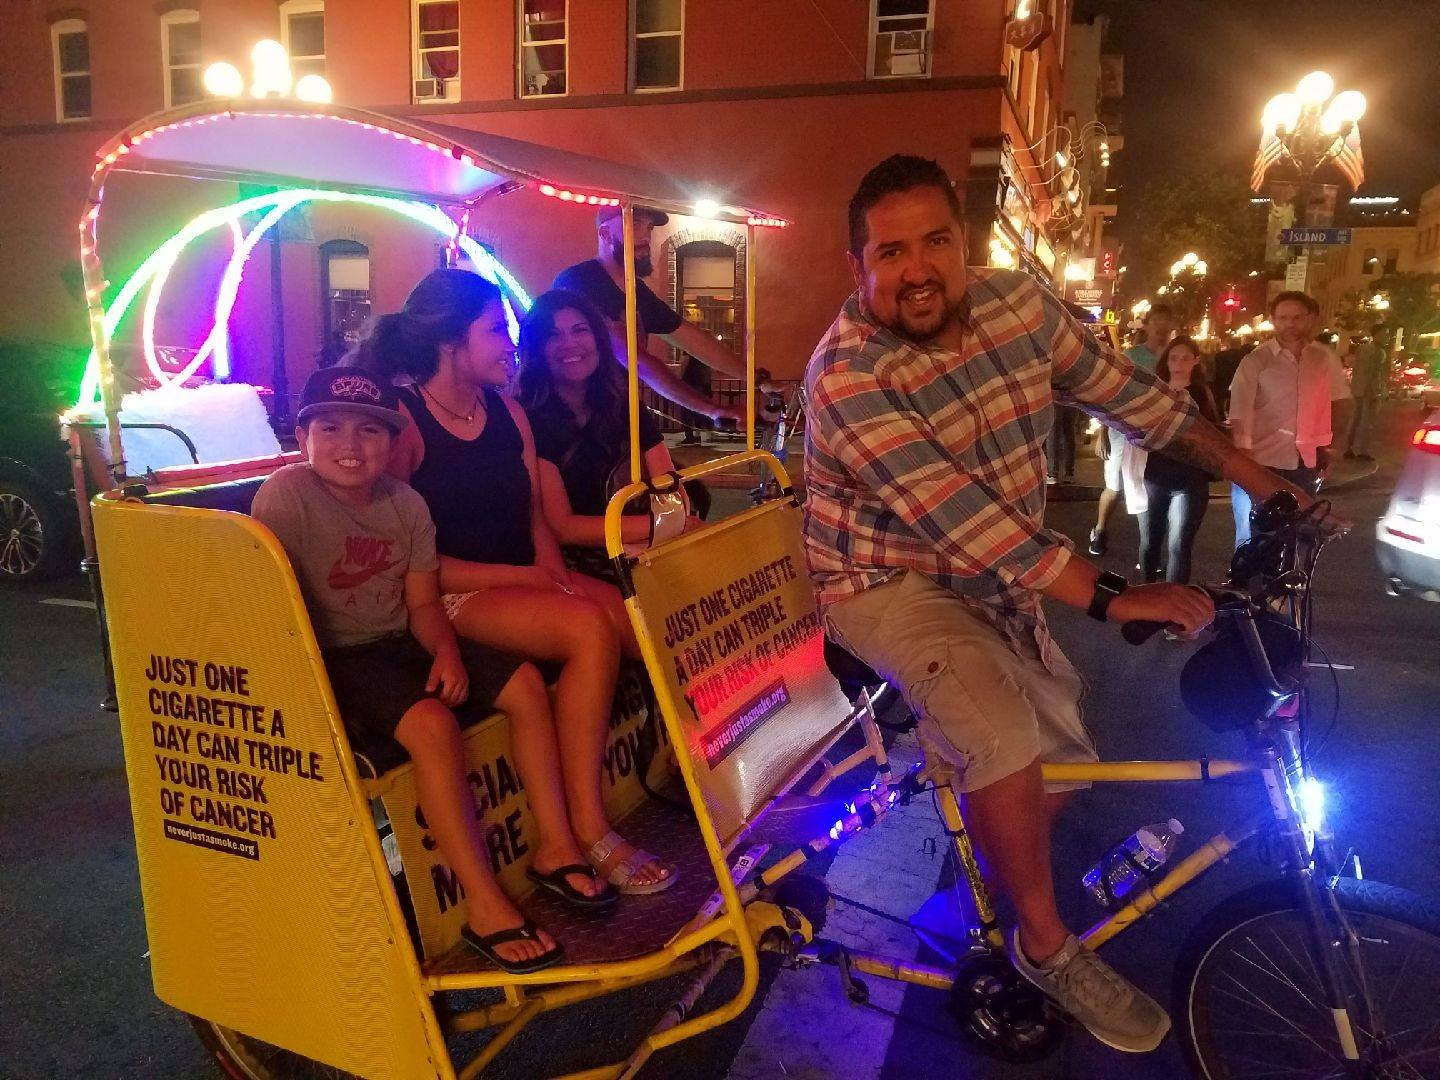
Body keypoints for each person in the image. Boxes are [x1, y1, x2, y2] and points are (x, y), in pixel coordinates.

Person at [805, 154, 1318, 1053]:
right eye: (891, 252)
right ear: (860, 268)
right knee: (1002, 736)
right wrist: (1117, 595)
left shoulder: (1019, 306)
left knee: (1066, 763)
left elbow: (1138, 402)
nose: (918, 268)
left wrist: (1264, 482)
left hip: (991, 579)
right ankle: (1042, 945)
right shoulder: (848, 376)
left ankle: (987, 869)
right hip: (886, 579)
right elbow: (967, 524)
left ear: (965, 245)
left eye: (936, 241)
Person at [252, 366, 608, 975]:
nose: (350, 445)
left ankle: (556, 843)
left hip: (398, 638)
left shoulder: (405, 504)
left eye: (369, 432)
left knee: (523, 683)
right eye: (330, 428)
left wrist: (445, 652)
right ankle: (483, 903)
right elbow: (274, 604)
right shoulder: (287, 495)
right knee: (432, 727)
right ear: (303, 437)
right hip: (328, 654)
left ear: (392, 443)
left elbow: (421, 603)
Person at [361, 269, 677, 895]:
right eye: (495, 328)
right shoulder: (406, 422)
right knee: (588, 629)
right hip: (446, 593)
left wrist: (553, 577)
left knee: (630, 615)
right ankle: (584, 829)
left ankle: (686, 773)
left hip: (518, 579)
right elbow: (399, 559)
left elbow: (534, 513)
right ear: (452, 341)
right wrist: (528, 579)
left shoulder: (505, 413)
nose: (510, 341)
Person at [515, 288, 689, 577]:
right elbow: (563, 527)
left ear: (597, 338)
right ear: (538, 349)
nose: (568, 344)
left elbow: (670, 487)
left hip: (642, 545)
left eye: (579, 330)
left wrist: (669, 524)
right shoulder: (531, 418)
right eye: (553, 335)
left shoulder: (624, 406)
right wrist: (663, 525)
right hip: (579, 561)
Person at [553, 205, 744, 428]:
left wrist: (758, 380)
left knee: (665, 462)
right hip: (575, 418)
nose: (645, 236)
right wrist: (712, 409)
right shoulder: (580, 282)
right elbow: (635, 359)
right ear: (604, 234)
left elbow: (694, 340)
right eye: (635, 225)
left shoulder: (637, 291)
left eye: (649, 227)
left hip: (619, 409)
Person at [1227, 291, 1352, 547]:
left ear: (1310, 319)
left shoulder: (1324, 358)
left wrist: (1331, 447)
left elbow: (1339, 401)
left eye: (1297, 318)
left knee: (1298, 531)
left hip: (1304, 462)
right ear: (1274, 321)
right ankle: (1249, 583)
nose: (1290, 324)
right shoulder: (1257, 360)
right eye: (1283, 318)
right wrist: (1243, 456)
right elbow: (1240, 408)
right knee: (1254, 534)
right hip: (1261, 460)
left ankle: (1288, 584)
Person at [1089, 304, 1176, 555]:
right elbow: (1110, 394)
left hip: (1162, 431)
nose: (1161, 326)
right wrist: (1102, 433)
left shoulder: (1176, 356)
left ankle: (1150, 547)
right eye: (1156, 320)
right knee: (1114, 486)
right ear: (1147, 325)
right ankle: (1100, 530)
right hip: (1123, 430)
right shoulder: (1131, 357)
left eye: (1166, 320)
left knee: (1153, 488)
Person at [1137, 337, 1222, 585]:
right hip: (1154, 476)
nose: (1179, 363)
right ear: (1166, 361)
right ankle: (1147, 594)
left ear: (1196, 361)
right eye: (1174, 357)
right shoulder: (1155, 390)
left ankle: (1175, 605)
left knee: (1179, 545)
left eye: (1186, 358)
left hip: (1190, 479)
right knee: (1150, 542)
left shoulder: (1202, 393)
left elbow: (1213, 431)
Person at [1343, 331, 1387, 461]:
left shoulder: (1362, 349)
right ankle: (1363, 451)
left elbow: (1356, 367)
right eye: (1384, 334)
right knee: (1366, 422)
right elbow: (1376, 374)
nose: (1386, 337)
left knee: (1355, 420)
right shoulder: (1379, 352)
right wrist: (1380, 392)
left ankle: (1348, 448)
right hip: (1370, 391)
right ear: (1377, 335)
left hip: (1358, 389)